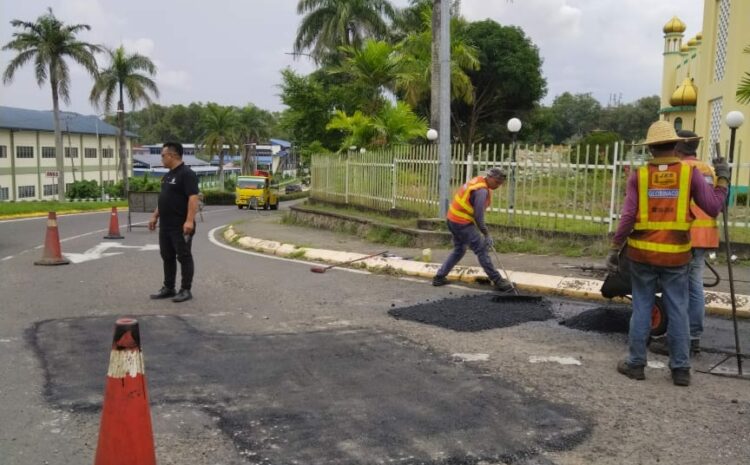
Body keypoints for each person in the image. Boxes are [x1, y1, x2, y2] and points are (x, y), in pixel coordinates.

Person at [607, 121, 729, 386]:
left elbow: (628, 216)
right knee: (678, 309)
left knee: (641, 307)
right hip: (676, 256)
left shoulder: (639, 176)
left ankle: (636, 364)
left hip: (642, 255)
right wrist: (723, 179)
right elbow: (713, 207)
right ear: (675, 145)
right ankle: (681, 369)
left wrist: (616, 247)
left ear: (650, 148)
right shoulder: (690, 175)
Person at [650, 130, 719, 356]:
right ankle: (693, 336)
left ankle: (682, 339)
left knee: (680, 289)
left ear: (677, 148)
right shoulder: (708, 169)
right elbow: (718, 202)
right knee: (694, 286)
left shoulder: (683, 170)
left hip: (686, 234)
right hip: (705, 234)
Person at [432, 167, 514, 293]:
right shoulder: (481, 191)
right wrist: (486, 234)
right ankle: (498, 281)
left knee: (459, 250)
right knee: (481, 249)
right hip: (461, 223)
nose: (498, 185)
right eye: (497, 182)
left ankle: (439, 277)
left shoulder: (479, 181)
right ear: (490, 177)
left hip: (452, 219)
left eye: (500, 183)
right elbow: (478, 216)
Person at [148, 142, 200, 303]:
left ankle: (185, 290)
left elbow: (193, 198)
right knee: (167, 256)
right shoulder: (168, 175)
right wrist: (155, 215)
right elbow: (164, 197)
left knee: (183, 256)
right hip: (166, 224)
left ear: (173, 155)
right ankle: (169, 287)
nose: (161, 158)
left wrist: (189, 221)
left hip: (180, 224)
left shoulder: (187, 174)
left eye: (163, 155)